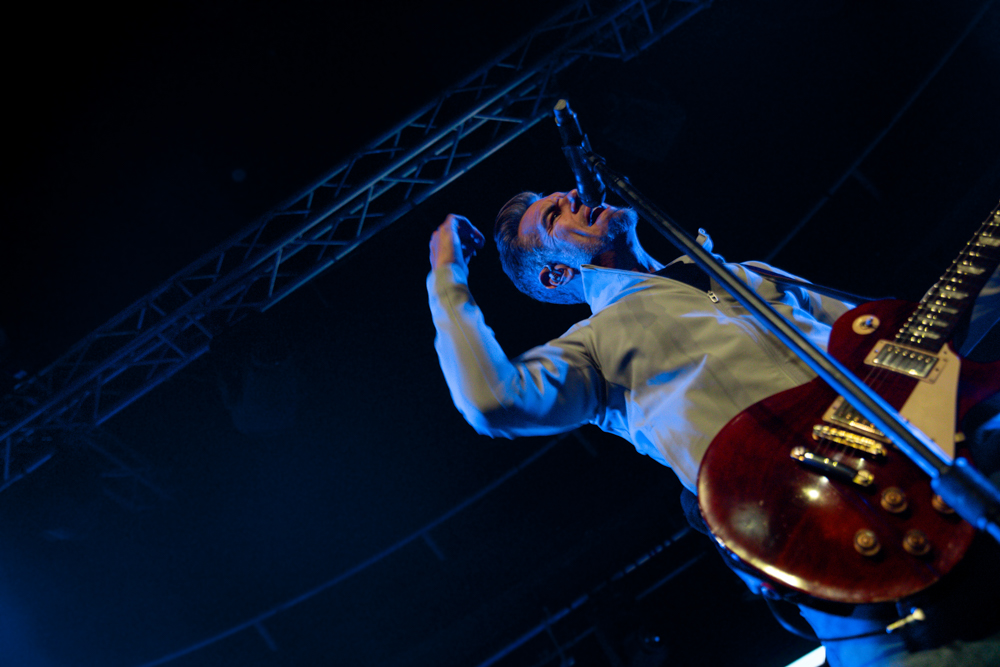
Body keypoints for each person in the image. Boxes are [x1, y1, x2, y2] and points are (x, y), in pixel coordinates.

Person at [426, 188, 1000, 666]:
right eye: (555, 214)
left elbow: (906, 348)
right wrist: (447, 276)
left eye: (566, 193)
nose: (575, 196)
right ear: (556, 275)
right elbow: (493, 400)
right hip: (823, 544)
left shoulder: (748, 275)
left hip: (942, 467)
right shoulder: (591, 347)